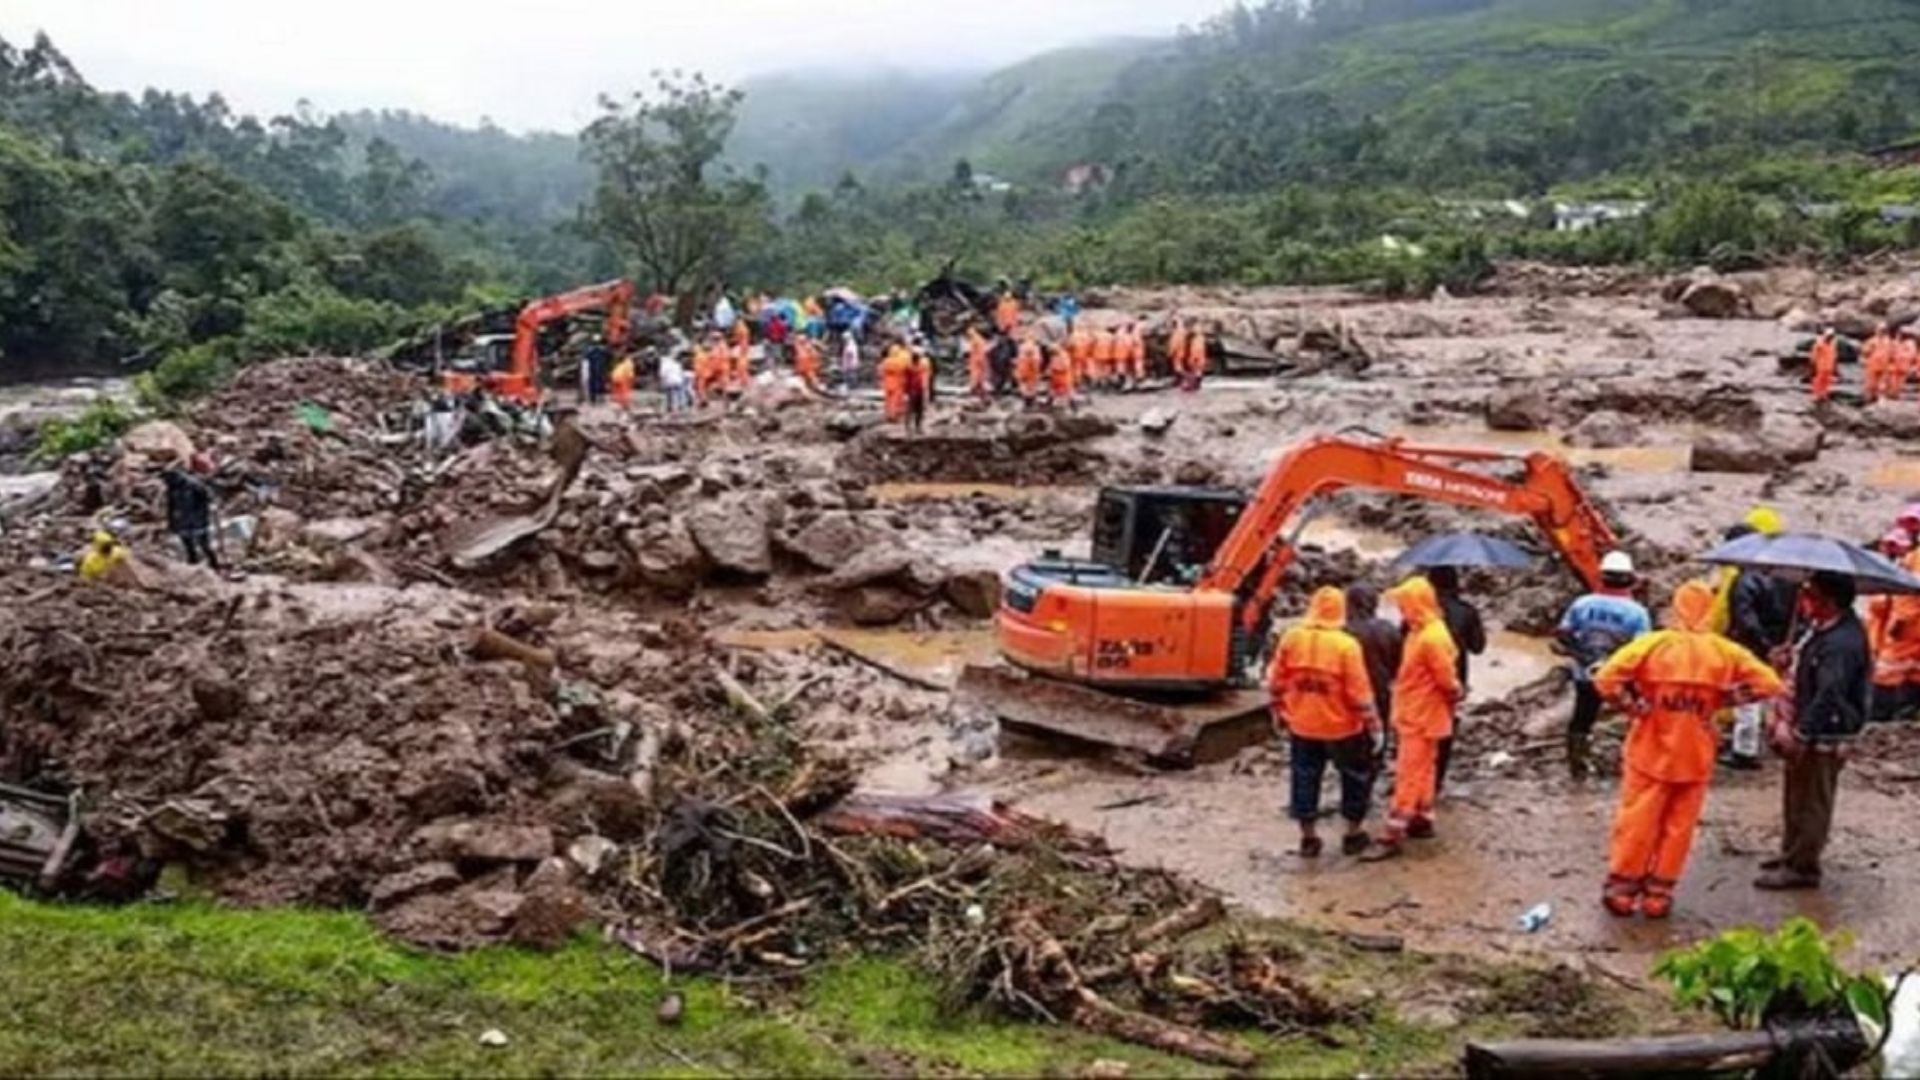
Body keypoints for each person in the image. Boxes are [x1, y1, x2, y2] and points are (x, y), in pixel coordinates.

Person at [1592, 580, 1783, 918]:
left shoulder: (1654, 645)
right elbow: (1770, 683)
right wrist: (1726, 699)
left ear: (1676, 608)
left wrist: (1632, 705)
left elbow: (1606, 679)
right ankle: (1658, 895)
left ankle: (1623, 888)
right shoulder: (1725, 651)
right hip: (1696, 752)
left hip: (1650, 747)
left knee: (1638, 820)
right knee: (1679, 828)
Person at [1756, 572, 1870, 891]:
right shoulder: (1822, 630)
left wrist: (1803, 732)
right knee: (1796, 792)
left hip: (1825, 730)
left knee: (1813, 799)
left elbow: (1830, 692)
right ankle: (1791, 852)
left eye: (1810, 595)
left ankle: (1803, 866)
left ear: (1828, 602)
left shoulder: (1842, 642)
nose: (1803, 600)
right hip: (1809, 722)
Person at [1270, 587, 1380, 858]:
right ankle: (1352, 833)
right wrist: (1375, 726)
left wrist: (1278, 712)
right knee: (1354, 777)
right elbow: (1359, 694)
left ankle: (1308, 837)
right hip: (1343, 727)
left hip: (1302, 725)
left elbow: (1275, 681)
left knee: (1304, 777)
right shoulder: (1346, 646)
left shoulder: (1292, 638)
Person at [1363, 575, 1462, 860]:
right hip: (1420, 712)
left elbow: (1447, 681)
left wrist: (1455, 692)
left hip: (1420, 715)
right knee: (1425, 768)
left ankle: (1392, 833)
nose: (1401, 610)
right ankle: (1422, 817)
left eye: (1404, 604)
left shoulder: (1429, 637)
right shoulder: (1425, 631)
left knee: (1408, 772)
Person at [1555, 551, 1654, 781]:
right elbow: (1642, 650)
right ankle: (1635, 762)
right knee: (1636, 717)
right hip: (1621, 678)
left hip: (1585, 675)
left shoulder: (1582, 604)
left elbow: (1563, 634)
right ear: (1630, 579)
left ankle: (1577, 767)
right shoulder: (1637, 613)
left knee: (1582, 718)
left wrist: (1584, 656)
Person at [1722, 508, 1796, 769]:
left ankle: (1744, 751)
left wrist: (1761, 644)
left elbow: (1745, 619)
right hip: (1780, 643)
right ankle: (1773, 739)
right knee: (1774, 694)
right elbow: (1795, 613)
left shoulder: (1744, 581)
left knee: (1748, 700)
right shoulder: (1784, 577)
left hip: (1751, 646)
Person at [1426, 566, 1487, 791]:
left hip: (1421, 682)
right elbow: (1478, 647)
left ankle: (1419, 778)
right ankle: (1437, 781)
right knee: (1445, 728)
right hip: (1454, 680)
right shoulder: (1466, 611)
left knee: (1420, 731)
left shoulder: (1420, 611)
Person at [1867, 531, 1920, 722]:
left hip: (1902, 635)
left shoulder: (1912, 561)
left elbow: (1908, 599)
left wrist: (1900, 622)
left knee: (1886, 677)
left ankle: (1883, 716)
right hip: (1893, 634)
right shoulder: (1904, 562)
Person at [1345, 584, 1404, 733]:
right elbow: (1399, 665)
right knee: (1379, 735)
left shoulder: (1341, 631)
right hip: (1380, 689)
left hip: (1347, 694)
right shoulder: (1388, 629)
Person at [163, 455, 219, 570]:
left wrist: (208, 511)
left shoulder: (193, 485)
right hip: (184, 520)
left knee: (204, 545)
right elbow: (171, 506)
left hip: (198, 519)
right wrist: (171, 522)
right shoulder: (172, 488)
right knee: (188, 545)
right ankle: (193, 565)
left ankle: (215, 566)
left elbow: (208, 497)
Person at [879, 340, 912, 423]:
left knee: (888, 400)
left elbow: (881, 372)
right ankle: (894, 416)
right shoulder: (901, 360)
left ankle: (887, 414)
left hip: (887, 383)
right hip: (898, 382)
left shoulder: (886, 361)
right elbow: (906, 370)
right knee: (896, 399)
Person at [906, 347, 933, 435]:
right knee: (914, 410)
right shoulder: (912, 367)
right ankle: (912, 427)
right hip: (916, 390)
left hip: (918, 390)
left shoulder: (913, 367)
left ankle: (916, 427)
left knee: (917, 410)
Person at [1864, 324, 1892, 403]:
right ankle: (1869, 399)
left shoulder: (1888, 341)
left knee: (1882, 384)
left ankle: (1879, 399)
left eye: (1883, 330)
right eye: (1880, 330)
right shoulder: (1872, 341)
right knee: (1870, 384)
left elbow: (1891, 354)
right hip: (1873, 365)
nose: (1881, 332)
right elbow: (1865, 351)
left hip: (1883, 365)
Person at [1809, 327, 1838, 403]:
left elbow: (1834, 356)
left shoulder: (1833, 345)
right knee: (1818, 381)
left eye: (1832, 336)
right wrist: (1813, 365)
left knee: (1827, 381)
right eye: (1829, 336)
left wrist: (1835, 367)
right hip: (1821, 366)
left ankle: (1824, 395)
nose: (1830, 337)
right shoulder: (1819, 344)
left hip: (1829, 366)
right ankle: (1816, 395)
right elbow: (1814, 355)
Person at [1015, 335, 1043, 407]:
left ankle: (1027, 403)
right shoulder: (1034, 349)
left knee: (1025, 388)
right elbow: (1036, 362)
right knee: (1031, 388)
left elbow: (1019, 360)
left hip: (1023, 371)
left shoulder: (1021, 347)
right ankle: (1030, 404)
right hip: (1030, 372)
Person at [1045, 342, 1076, 407]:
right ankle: (1049, 402)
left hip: (1063, 375)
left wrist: (1055, 368)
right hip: (1055, 375)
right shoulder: (1054, 355)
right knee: (1052, 389)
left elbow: (1066, 366)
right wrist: (1049, 370)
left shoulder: (1064, 355)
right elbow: (1051, 363)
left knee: (1068, 390)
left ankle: (1073, 405)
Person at [1182, 324, 1209, 392]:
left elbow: (1196, 349)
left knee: (1195, 372)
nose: (1194, 330)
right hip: (1200, 359)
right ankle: (1196, 386)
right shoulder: (1201, 338)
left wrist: (1193, 359)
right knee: (1198, 372)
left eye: (1195, 329)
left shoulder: (1197, 339)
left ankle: (1193, 386)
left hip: (1196, 359)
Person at [966, 326, 990, 400]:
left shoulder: (977, 340)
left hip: (978, 363)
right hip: (977, 363)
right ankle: (982, 396)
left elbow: (980, 354)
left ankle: (979, 396)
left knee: (977, 380)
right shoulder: (977, 340)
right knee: (979, 380)